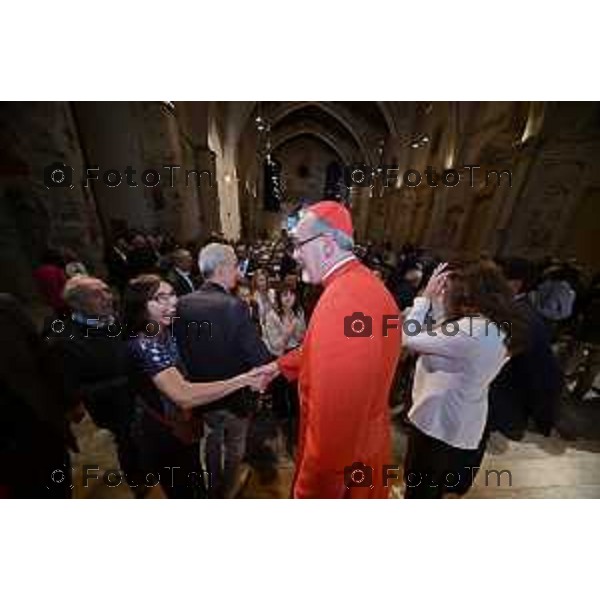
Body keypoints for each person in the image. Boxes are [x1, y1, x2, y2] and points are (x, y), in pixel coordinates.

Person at [257, 200, 401, 498]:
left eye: (298, 244)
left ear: (325, 245)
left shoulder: (344, 302)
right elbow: (328, 353)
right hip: (367, 445)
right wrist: (280, 366)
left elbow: (333, 434)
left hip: (345, 471)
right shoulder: (364, 285)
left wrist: (310, 492)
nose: (294, 255)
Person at [124, 275, 263, 499]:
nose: (172, 303)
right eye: (160, 298)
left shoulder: (165, 331)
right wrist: (243, 379)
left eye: (172, 295)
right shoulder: (145, 343)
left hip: (180, 427)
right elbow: (183, 394)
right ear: (140, 305)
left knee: (195, 484)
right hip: (162, 435)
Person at [401, 260, 527, 499]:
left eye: (448, 290)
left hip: (437, 421)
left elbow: (408, 338)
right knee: (431, 488)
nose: (445, 294)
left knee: (420, 489)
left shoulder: (473, 329)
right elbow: (444, 337)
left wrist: (424, 299)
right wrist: (438, 304)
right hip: (459, 418)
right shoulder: (494, 326)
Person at [174, 244, 271, 498]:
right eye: (235, 266)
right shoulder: (234, 307)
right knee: (235, 445)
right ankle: (226, 492)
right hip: (234, 396)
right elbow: (258, 356)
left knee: (211, 443)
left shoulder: (181, 304)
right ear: (221, 269)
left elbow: (179, 352)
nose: (238, 272)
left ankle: (212, 489)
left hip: (200, 396)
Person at [48, 275, 145, 494]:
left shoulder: (118, 321)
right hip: (114, 407)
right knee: (129, 443)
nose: (107, 298)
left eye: (106, 290)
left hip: (143, 398)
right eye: (96, 294)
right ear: (76, 304)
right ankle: (140, 485)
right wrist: (126, 381)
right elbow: (74, 390)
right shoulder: (64, 340)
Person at [0, 294, 76, 498]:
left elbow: (43, 357)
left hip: (38, 422)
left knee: (58, 485)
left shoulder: (6, 307)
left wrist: (69, 401)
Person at [488, 258, 563, 438]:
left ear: (515, 284)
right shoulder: (509, 310)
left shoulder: (521, 318)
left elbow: (544, 374)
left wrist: (543, 419)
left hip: (498, 407)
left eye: (496, 279)